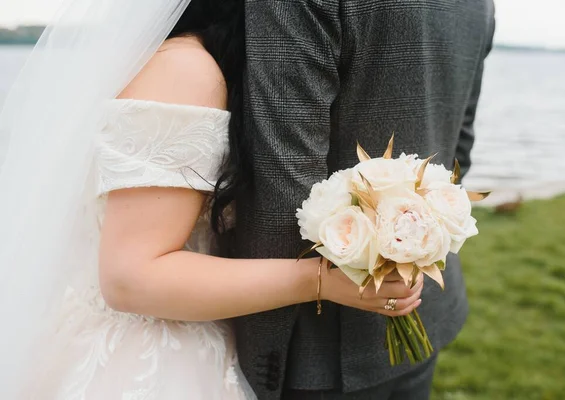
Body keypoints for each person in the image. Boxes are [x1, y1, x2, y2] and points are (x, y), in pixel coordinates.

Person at [0, 1, 421, 398]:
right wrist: (318, 280)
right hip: (146, 355)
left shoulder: (207, 66)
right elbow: (130, 277)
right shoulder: (183, 70)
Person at [233, 1, 496, 399]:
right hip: (426, 305)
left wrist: (256, 355)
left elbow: (284, 189)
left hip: (314, 347)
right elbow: (459, 152)